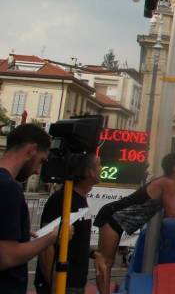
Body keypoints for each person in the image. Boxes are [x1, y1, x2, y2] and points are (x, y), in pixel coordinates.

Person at [94, 152, 175, 294]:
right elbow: (172, 213)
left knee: (107, 262)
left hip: (120, 218)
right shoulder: (167, 183)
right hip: (113, 215)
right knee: (106, 262)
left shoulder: (173, 184)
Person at [0, 124, 56, 294]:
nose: (38, 170)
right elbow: (6, 256)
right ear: (32, 150)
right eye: (41, 161)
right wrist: (52, 237)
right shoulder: (9, 188)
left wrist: (22, 234)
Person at [35, 155, 100, 294]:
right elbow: (45, 246)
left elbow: (74, 240)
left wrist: (93, 253)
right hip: (62, 285)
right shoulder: (62, 200)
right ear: (90, 172)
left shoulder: (80, 199)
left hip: (75, 284)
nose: (102, 168)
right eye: (99, 165)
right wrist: (55, 285)